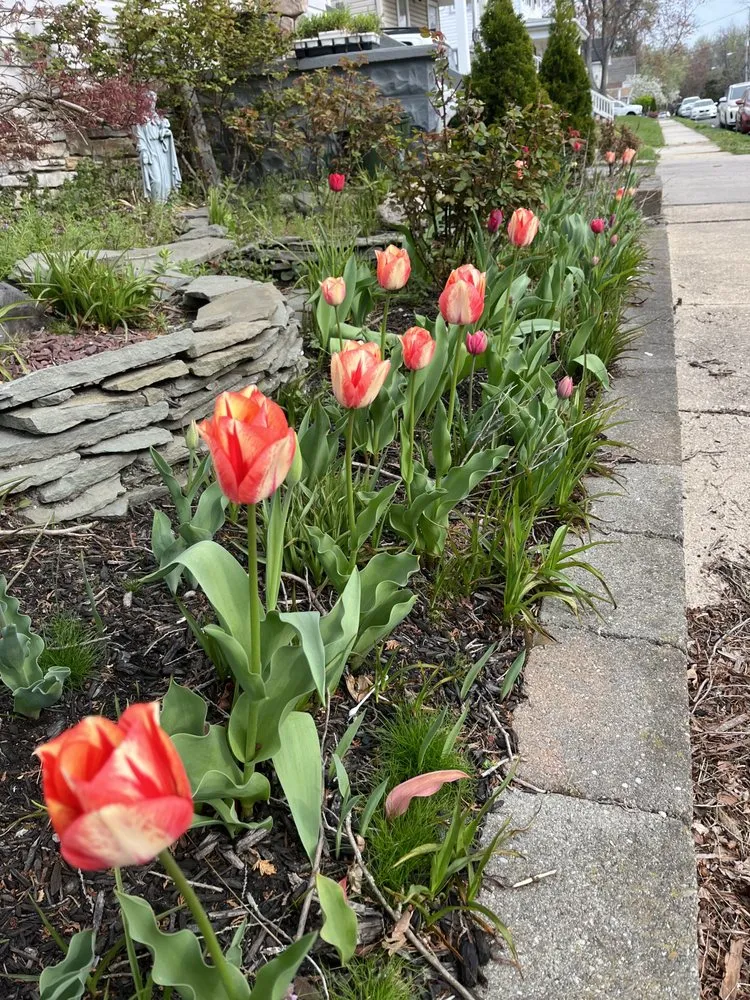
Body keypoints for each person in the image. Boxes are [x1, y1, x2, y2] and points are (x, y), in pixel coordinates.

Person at [135, 93, 181, 203]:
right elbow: (140, 137)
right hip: (150, 150)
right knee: (156, 180)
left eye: (154, 101)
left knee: (166, 180)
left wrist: (166, 133)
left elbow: (165, 131)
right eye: (150, 100)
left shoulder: (158, 119)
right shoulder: (140, 120)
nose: (152, 103)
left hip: (161, 150)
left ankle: (164, 206)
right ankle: (156, 207)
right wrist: (144, 151)